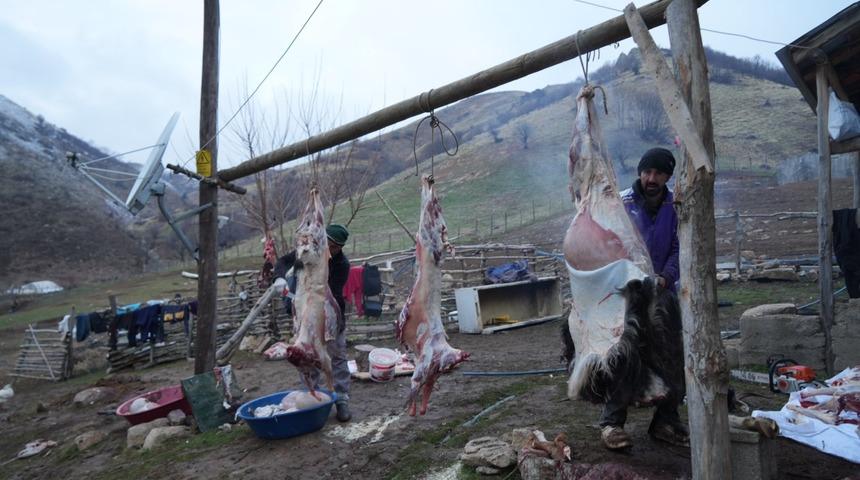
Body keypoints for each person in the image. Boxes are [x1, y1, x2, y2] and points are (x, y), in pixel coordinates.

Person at [598, 147, 687, 450]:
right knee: (626, 356)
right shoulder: (621, 203)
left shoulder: (676, 205)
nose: (651, 178)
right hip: (628, 295)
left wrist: (666, 276)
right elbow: (609, 245)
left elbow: (679, 245)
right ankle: (611, 424)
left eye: (659, 173)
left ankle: (666, 420)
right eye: (647, 172)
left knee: (675, 356)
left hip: (663, 293)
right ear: (639, 172)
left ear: (667, 177)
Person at [273, 224, 352, 422]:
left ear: (340, 248)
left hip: (330, 316)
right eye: (328, 244)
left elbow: (325, 293)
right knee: (306, 355)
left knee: (337, 356)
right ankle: (312, 396)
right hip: (305, 315)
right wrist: (280, 278)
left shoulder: (341, 264)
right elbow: (282, 262)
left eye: (335, 247)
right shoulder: (307, 253)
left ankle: (341, 399)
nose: (330, 250)